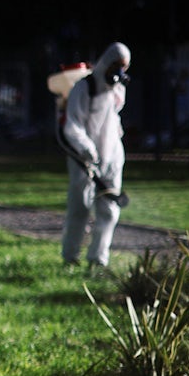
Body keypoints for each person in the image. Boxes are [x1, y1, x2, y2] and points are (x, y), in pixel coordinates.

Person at [60, 42, 131, 270]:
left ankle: (98, 259)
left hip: (112, 158)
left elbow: (113, 119)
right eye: (115, 66)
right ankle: (70, 256)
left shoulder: (118, 89)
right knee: (80, 207)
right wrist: (86, 148)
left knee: (109, 211)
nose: (118, 72)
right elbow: (73, 125)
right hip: (84, 159)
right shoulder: (85, 87)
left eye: (123, 67)